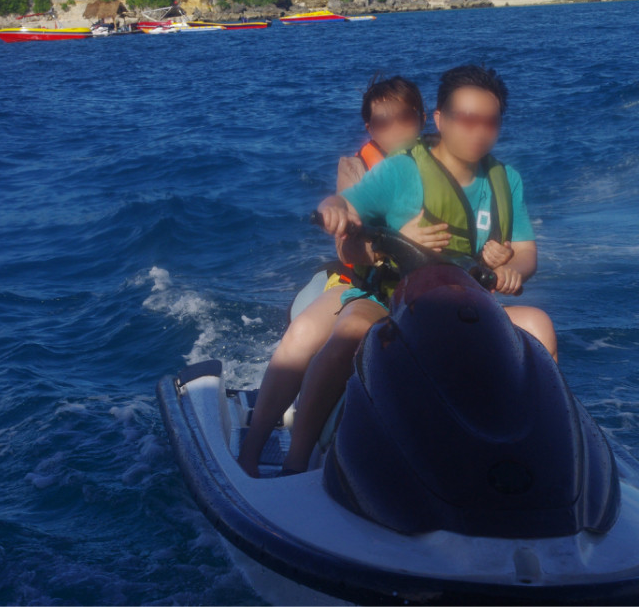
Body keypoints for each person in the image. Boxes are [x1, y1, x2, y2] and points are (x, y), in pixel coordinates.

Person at [282, 64, 557, 475]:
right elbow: (345, 204)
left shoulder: (506, 180)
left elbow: (526, 253)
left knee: (539, 325)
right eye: (466, 120)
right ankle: (296, 457)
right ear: (441, 120)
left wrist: (511, 269)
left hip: (466, 307)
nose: (478, 132)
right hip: (393, 300)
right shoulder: (401, 170)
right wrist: (332, 210)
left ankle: (540, 449)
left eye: (490, 122)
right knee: (349, 333)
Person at [236, 75, 425, 478]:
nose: (396, 130)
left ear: (423, 119)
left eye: (405, 118)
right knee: (304, 334)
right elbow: (346, 247)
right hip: (364, 285)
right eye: (383, 122)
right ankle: (260, 451)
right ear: (370, 128)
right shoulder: (357, 170)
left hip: (427, 290)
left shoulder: (443, 166)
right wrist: (394, 246)